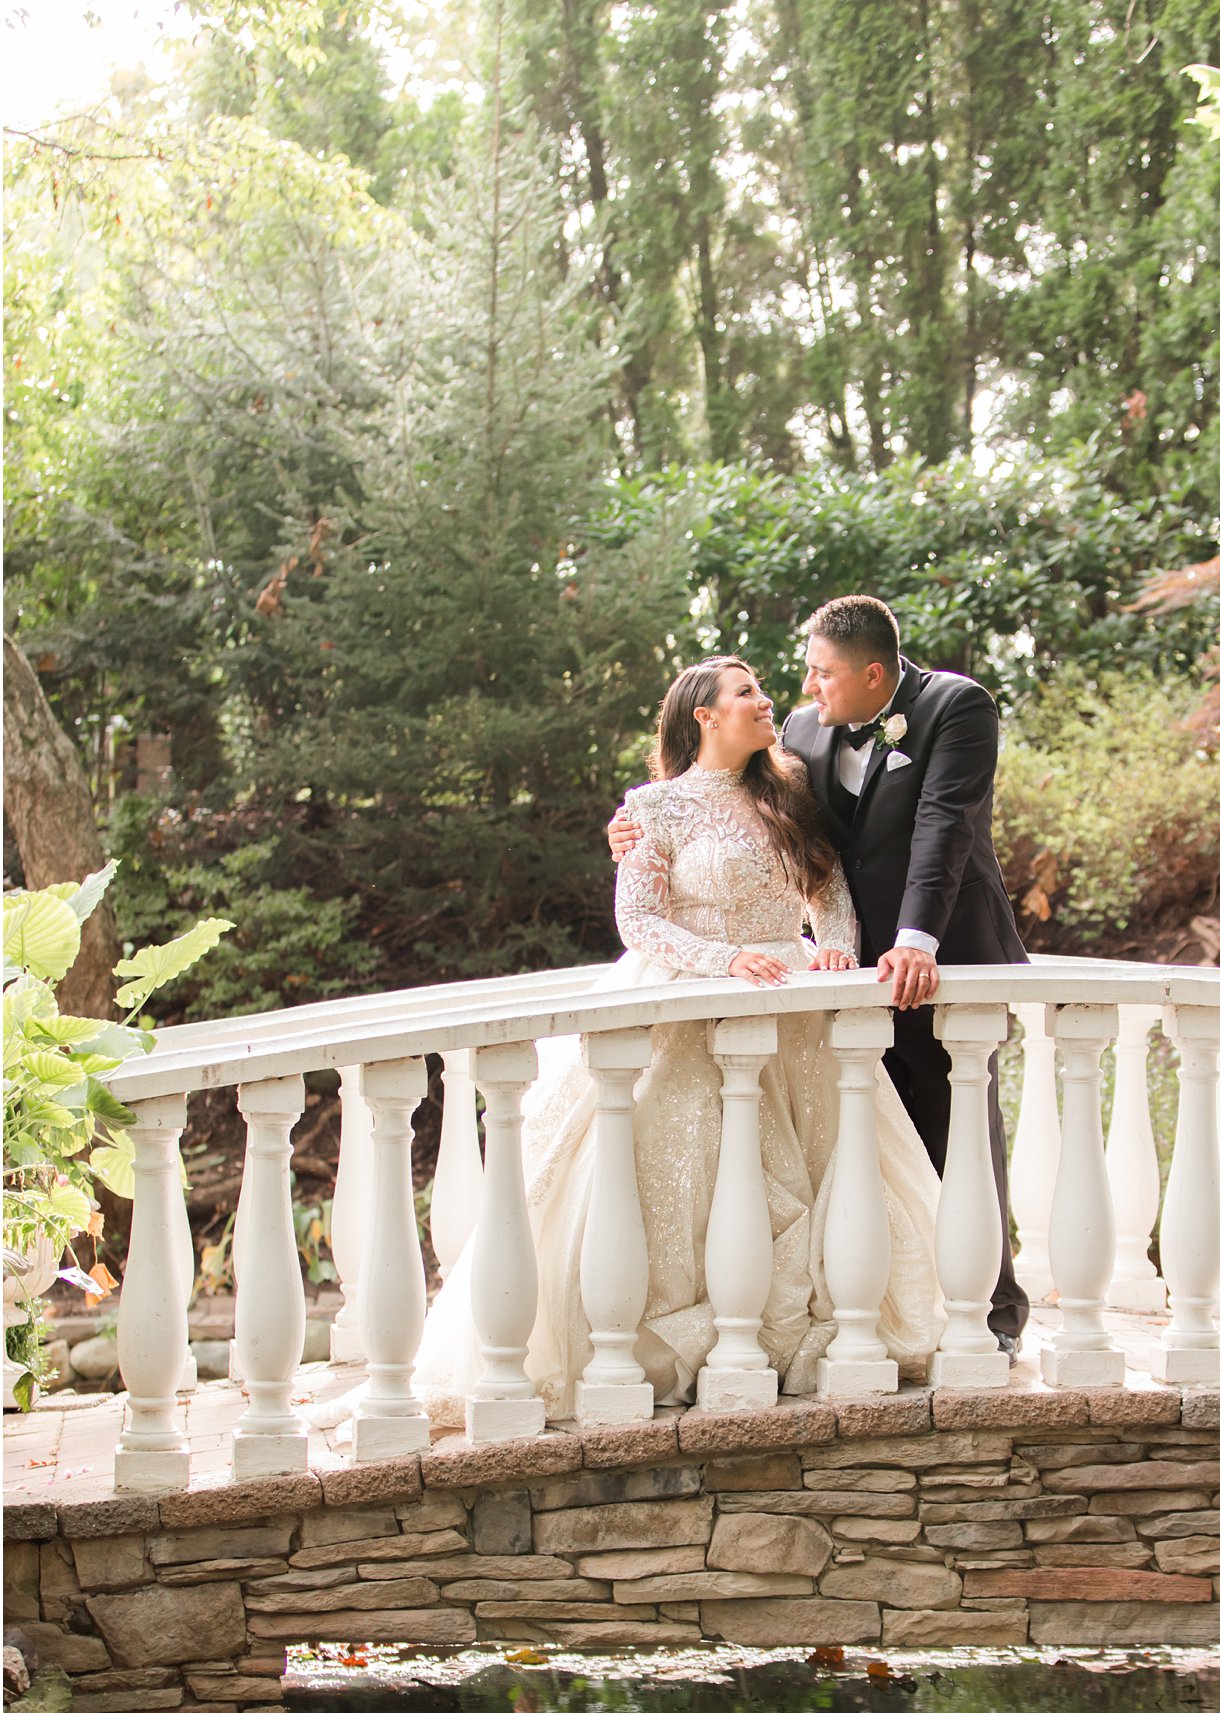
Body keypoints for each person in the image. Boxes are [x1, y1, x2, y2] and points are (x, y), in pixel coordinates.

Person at [414, 655, 942, 1425]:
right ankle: (669, 1341)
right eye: (746, 693)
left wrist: (833, 945)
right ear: (703, 714)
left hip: (791, 1003)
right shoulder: (653, 808)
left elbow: (825, 888)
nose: (766, 702)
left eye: (763, 688)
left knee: (822, 1161)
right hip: (697, 1000)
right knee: (676, 1159)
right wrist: (724, 960)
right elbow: (639, 921)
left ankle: (787, 1333)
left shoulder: (787, 787)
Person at [612, 596, 1029, 1354]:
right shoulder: (797, 741)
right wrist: (633, 833)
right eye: (785, 679)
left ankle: (989, 1311)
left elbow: (942, 826)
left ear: (874, 673)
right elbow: (824, 858)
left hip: (933, 959)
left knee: (953, 1131)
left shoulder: (954, 707)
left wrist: (905, 938)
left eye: (819, 674)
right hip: (833, 986)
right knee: (848, 1152)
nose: (800, 690)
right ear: (703, 716)